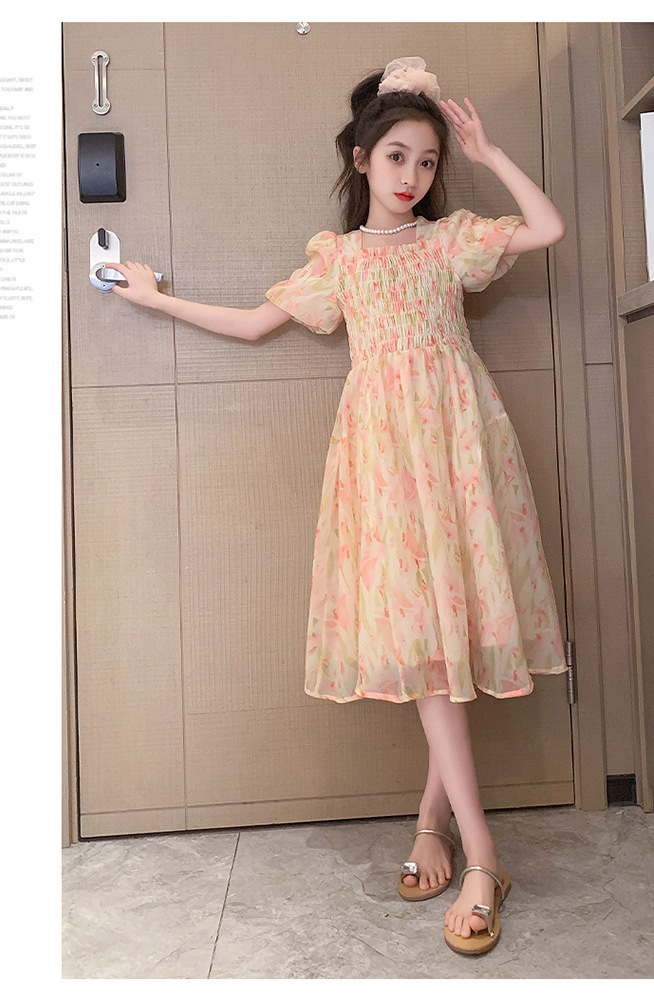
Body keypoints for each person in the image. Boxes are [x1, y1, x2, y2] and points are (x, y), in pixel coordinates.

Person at [105, 55, 568, 957]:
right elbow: (253, 323)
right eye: (396, 157)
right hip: (384, 461)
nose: (412, 176)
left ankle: (462, 844)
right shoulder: (342, 260)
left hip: (458, 449)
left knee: (447, 642)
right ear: (361, 159)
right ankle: (462, 842)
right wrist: (156, 301)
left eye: (428, 161)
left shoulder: (451, 240)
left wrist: (489, 153)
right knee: (425, 644)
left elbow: (546, 227)